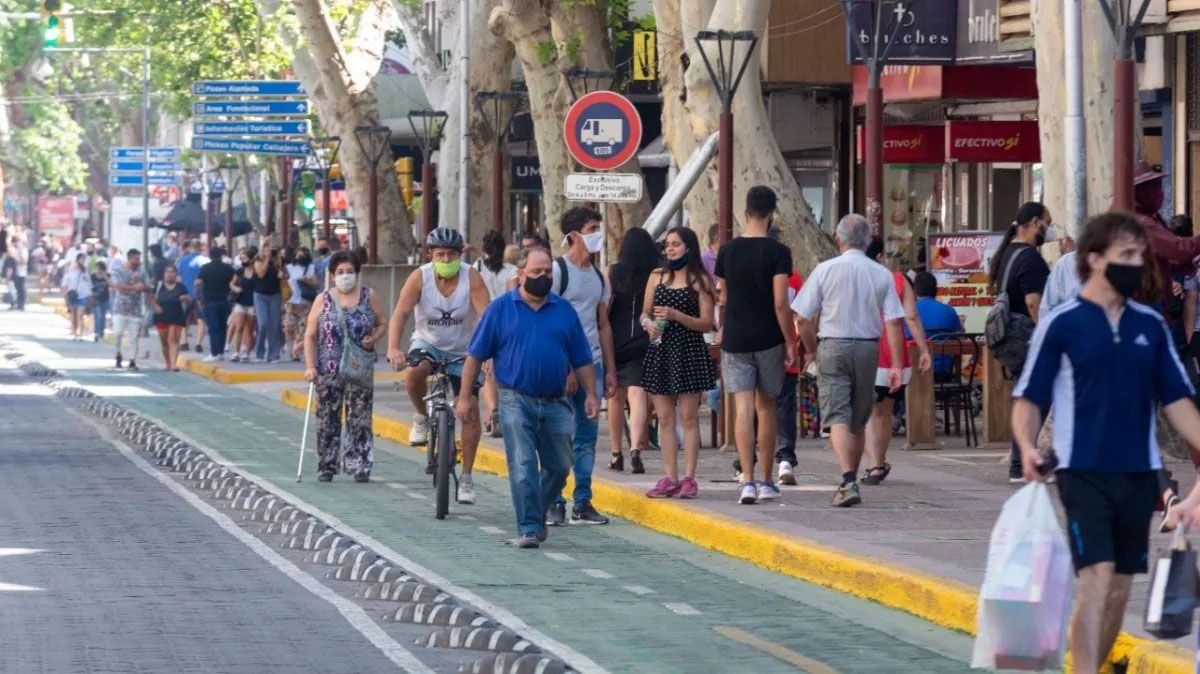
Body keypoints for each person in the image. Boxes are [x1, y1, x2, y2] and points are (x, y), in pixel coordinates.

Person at [1014, 211, 1200, 674]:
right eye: (1127, 255)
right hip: (1083, 473)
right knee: (1096, 581)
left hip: (1139, 476)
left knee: (1118, 591)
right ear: (1094, 259)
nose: (1138, 265)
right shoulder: (1062, 324)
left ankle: (1093, 665)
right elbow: (1029, 398)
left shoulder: (1150, 327)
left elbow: (1178, 403)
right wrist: (1027, 445)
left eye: (1141, 255)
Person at [456, 246, 599, 549]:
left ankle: (534, 512)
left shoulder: (564, 310)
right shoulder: (499, 310)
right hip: (514, 400)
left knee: (560, 465)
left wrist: (591, 394)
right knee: (521, 465)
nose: (543, 277)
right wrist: (465, 397)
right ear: (520, 275)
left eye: (548, 272)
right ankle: (530, 528)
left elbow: (582, 357)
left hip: (556, 402)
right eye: (536, 272)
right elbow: (473, 357)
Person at [792, 214, 905, 508]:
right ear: (868, 241)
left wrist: (811, 349)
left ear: (837, 238)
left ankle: (846, 479)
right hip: (868, 349)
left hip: (832, 344)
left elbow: (802, 318)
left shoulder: (825, 270)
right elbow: (893, 322)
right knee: (857, 417)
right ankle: (850, 479)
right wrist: (895, 364)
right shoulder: (881, 274)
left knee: (837, 414)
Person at [385, 228, 491, 504]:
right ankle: (421, 416)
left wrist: (490, 353)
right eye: (440, 254)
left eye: (452, 255)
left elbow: (488, 318)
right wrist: (393, 347)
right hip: (428, 342)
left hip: (464, 350)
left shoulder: (472, 277)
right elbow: (401, 313)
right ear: (430, 255)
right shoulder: (419, 277)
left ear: (461, 254)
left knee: (468, 412)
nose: (446, 259)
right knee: (414, 372)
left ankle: (466, 478)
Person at [714, 186, 796, 505]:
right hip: (769, 339)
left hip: (736, 337)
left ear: (746, 212)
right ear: (771, 213)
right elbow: (780, 303)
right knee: (767, 406)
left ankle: (745, 480)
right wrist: (789, 340)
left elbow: (723, 295)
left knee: (743, 408)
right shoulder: (779, 252)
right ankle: (765, 480)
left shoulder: (727, 250)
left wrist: (723, 330)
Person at [546, 207, 617, 526]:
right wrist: (564, 369)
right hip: (561, 367)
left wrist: (610, 369)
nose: (597, 234)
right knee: (558, 437)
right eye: (591, 228)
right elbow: (547, 321)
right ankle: (554, 501)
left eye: (598, 228)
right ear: (574, 235)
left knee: (586, 437)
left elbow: (603, 325)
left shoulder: (600, 277)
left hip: (594, 367)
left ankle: (583, 501)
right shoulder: (558, 272)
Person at [640, 227, 716, 498]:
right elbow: (644, 313)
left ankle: (689, 478)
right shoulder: (656, 277)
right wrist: (648, 324)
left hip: (689, 351)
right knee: (664, 417)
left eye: (676, 244)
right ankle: (669, 476)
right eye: (667, 245)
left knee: (689, 418)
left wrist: (676, 315)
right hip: (660, 350)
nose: (670, 249)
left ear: (689, 247)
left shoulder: (700, 280)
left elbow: (707, 322)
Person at [304, 251, 387, 482]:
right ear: (332, 275)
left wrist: (374, 338)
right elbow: (310, 335)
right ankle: (327, 465)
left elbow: (382, 323)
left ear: (357, 273)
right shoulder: (323, 299)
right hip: (328, 368)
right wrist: (310, 367)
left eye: (349, 271)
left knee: (360, 418)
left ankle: (360, 464)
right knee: (327, 418)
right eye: (340, 272)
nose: (345, 276)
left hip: (359, 368)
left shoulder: (369, 296)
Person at [988, 202, 1052, 482]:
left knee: (1028, 398)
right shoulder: (1030, 258)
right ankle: (1023, 462)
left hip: (1010, 338)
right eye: (1047, 223)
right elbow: (1033, 303)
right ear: (1035, 222)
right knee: (1037, 398)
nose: (1048, 230)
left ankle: (1023, 461)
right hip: (1027, 337)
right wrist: (1047, 338)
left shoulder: (1006, 254)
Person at [861, 239, 932, 485]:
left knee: (870, 412)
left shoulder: (857, 277)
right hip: (894, 353)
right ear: (880, 256)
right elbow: (911, 317)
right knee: (886, 412)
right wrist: (923, 349)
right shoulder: (899, 280)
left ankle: (872, 465)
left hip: (865, 347)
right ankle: (879, 462)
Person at [607, 227, 659, 474]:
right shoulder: (655, 274)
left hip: (615, 342)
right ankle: (636, 447)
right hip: (644, 340)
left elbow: (604, 310)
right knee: (638, 396)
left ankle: (616, 452)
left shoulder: (612, 273)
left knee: (616, 398)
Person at [474, 229, 519, 436]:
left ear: (485, 249)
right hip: (505, 323)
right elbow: (512, 297)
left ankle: (493, 411)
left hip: (482, 323)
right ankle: (502, 412)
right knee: (504, 369)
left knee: (486, 372)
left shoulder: (476, 268)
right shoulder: (512, 270)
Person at [195, 246, 236, 362]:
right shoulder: (228, 268)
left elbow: (197, 283)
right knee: (223, 327)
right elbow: (235, 282)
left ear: (210, 255)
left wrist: (198, 298)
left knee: (213, 327)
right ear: (221, 255)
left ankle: (214, 353)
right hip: (225, 300)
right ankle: (221, 352)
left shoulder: (205, 268)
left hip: (210, 301)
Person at [111, 249, 149, 371]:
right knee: (118, 333)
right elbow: (118, 286)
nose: (139, 261)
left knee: (133, 337)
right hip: (120, 309)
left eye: (139, 259)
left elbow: (148, 288)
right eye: (136, 259)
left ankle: (132, 360)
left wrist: (140, 282)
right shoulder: (118, 270)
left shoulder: (141, 272)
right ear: (130, 258)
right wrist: (135, 287)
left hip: (135, 309)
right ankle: (118, 354)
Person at [151, 264, 190, 372]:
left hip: (176, 315)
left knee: (173, 339)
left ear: (176, 274)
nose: (169, 274)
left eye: (172, 272)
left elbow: (189, 300)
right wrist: (155, 307)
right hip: (161, 316)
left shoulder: (181, 287)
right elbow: (151, 299)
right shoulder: (158, 286)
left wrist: (185, 298)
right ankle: (168, 364)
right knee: (164, 341)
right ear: (164, 274)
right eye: (167, 272)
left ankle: (174, 364)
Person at [253, 242, 288, 363]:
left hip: (275, 295)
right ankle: (259, 352)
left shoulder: (280, 260)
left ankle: (273, 354)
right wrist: (267, 258)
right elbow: (261, 274)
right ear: (263, 248)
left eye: (272, 248)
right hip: (260, 295)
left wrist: (283, 275)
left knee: (274, 325)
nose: (270, 250)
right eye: (267, 247)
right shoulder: (258, 259)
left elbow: (286, 274)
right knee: (263, 324)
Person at [285, 247, 319, 361]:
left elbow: (316, 284)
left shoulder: (310, 268)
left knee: (303, 327)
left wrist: (306, 280)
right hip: (291, 301)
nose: (300, 258)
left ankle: (296, 350)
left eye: (303, 255)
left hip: (305, 301)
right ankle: (291, 349)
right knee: (289, 327)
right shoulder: (289, 268)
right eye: (298, 255)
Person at [177, 239, 209, 353]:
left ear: (190, 248)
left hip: (186, 294)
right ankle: (198, 344)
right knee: (201, 320)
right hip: (201, 294)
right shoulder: (205, 261)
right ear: (200, 248)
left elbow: (179, 279)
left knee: (183, 319)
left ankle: (184, 342)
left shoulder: (182, 261)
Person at [228, 247, 258, 363]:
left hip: (253, 303)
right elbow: (231, 283)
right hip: (240, 301)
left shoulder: (257, 270)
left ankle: (247, 352)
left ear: (251, 258)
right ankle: (236, 352)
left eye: (245, 258)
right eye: (242, 258)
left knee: (249, 329)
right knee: (239, 327)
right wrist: (235, 288)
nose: (243, 260)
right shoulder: (240, 271)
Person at [62, 253, 92, 341]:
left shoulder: (85, 271)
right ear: (77, 260)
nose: (83, 262)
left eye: (84, 260)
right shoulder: (71, 270)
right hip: (72, 295)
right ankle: (75, 332)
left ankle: (80, 333)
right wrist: (65, 294)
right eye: (82, 260)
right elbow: (65, 282)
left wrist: (90, 295)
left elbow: (89, 284)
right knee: (73, 315)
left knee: (80, 315)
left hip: (82, 295)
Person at [90, 261, 111, 343]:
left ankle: (101, 333)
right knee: (97, 316)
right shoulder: (92, 276)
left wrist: (105, 276)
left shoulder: (107, 275)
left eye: (100, 269)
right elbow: (89, 286)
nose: (98, 271)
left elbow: (111, 284)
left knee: (102, 317)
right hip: (96, 299)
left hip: (105, 299)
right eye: (97, 268)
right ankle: (96, 333)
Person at [7, 234, 26, 310]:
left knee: (21, 288)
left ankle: (21, 304)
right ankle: (18, 304)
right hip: (17, 271)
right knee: (17, 288)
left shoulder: (22, 249)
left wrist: (16, 260)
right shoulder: (17, 249)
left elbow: (24, 261)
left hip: (21, 271)